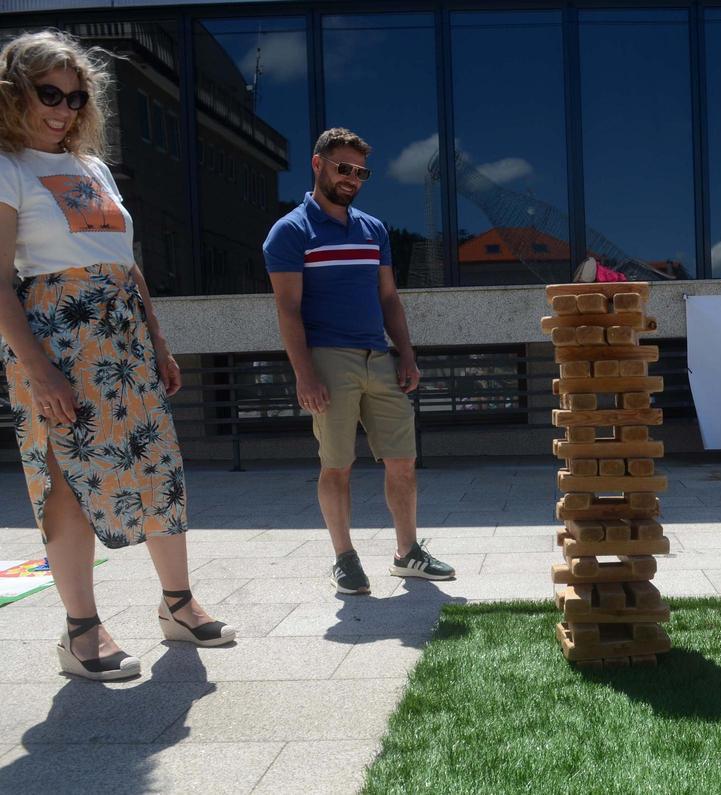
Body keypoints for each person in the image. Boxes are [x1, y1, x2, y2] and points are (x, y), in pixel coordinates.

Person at [0, 31, 234, 681]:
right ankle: (80, 632)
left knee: (159, 468)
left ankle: (178, 605)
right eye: (48, 93)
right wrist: (40, 370)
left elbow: (126, 266)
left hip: (124, 340)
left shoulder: (93, 167)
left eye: (75, 97)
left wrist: (156, 343)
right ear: (12, 92)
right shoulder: (7, 166)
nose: (63, 108)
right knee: (67, 484)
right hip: (55, 339)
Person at [263, 127, 454, 595]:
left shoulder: (373, 229)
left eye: (360, 171)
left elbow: (389, 297)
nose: (351, 178)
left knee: (403, 461)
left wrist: (405, 354)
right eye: (342, 167)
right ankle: (344, 559)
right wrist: (304, 373)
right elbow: (287, 309)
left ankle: (407, 553)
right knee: (337, 466)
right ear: (318, 164)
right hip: (328, 359)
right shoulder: (290, 232)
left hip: (379, 357)